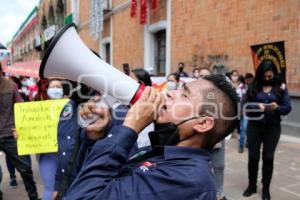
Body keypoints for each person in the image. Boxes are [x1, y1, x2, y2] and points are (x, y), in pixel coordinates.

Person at [64, 74, 239, 200]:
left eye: (184, 95)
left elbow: (82, 195)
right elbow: (83, 181)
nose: (171, 93)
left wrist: (129, 128)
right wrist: (95, 139)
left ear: (202, 123)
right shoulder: (158, 151)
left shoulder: (187, 181)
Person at [243, 60, 291, 200]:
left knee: (268, 158)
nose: (268, 79)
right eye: (265, 76)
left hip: (272, 128)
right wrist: (257, 107)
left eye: (270, 76)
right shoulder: (253, 86)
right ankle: (252, 185)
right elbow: (244, 106)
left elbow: (287, 108)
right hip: (254, 127)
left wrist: (277, 107)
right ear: (260, 75)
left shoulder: (281, 87)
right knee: (253, 157)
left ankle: (266, 189)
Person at [0, 63, 40, 200]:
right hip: (8, 133)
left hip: (10, 133)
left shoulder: (11, 86)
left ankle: (34, 197)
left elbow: (20, 108)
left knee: (25, 168)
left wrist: (21, 127)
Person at [35, 79, 63, 200]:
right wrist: (21, 134)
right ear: (47, 90)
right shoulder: (37, 109)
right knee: (50, 189)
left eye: (59, 87)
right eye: (53, 87)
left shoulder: (71, 106)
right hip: (48, 155)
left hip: (68, 153)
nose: (56, 89)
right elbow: (30, 129)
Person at [203, 68, 228, 200]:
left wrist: (217, 138)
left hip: (217, 136)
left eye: (206, 76)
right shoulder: (193, 95)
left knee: (219, 165)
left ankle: (219, 192)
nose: (202, 78)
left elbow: (225, 118)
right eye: (200, 75)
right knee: (202, 166)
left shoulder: (219, 95)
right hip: (200, 138)